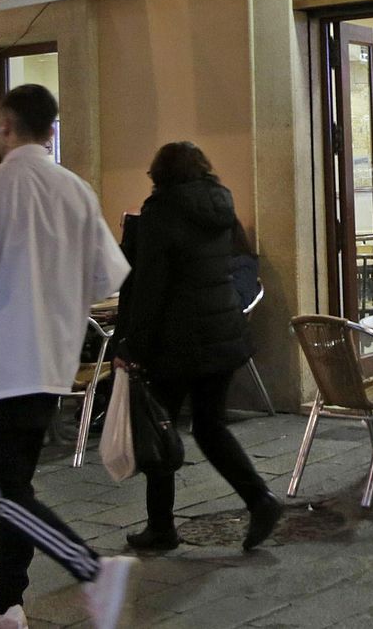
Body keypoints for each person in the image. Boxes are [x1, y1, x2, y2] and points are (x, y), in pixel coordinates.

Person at [0, 84, 135, 629]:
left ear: (3, 125)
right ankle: (6, 602)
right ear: (53, 130)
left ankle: (92, 567)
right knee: (17, 483)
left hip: (1, 360)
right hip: (53, 362)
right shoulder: (77, 192)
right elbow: (107, 277)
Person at [115, 141, 283, 553]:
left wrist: (132, 344)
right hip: (221, 332)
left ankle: (161, 527)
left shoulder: (160, 212)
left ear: (160, 175)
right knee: (209, 427)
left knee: (161, 428)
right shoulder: (219, 206)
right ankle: (260, 500)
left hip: (177, 340)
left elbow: (150, 286)